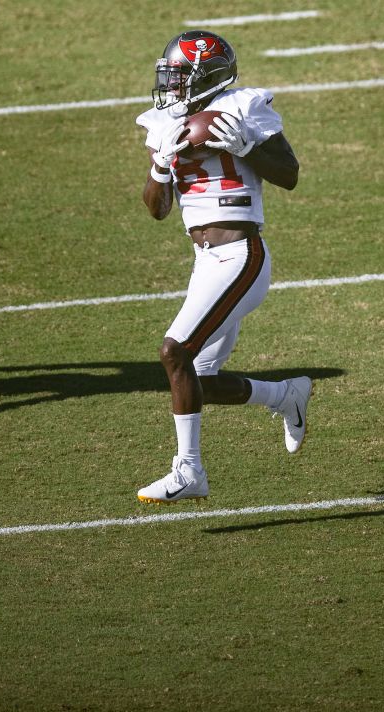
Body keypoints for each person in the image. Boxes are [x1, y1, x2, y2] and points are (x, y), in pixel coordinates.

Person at [133, 30, 309, 503]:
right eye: (167, 76)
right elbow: (157, 209)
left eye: (179, 76)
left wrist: (250, 147)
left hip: (241, 253)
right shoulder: (164, 122)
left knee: (174, 352)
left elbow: (289, 175)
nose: (169, 86)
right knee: (200, 380)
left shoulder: (243, 107)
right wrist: (159, 167)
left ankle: (189, 471)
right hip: (205, 261)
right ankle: (285, 395)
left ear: (207, 76)